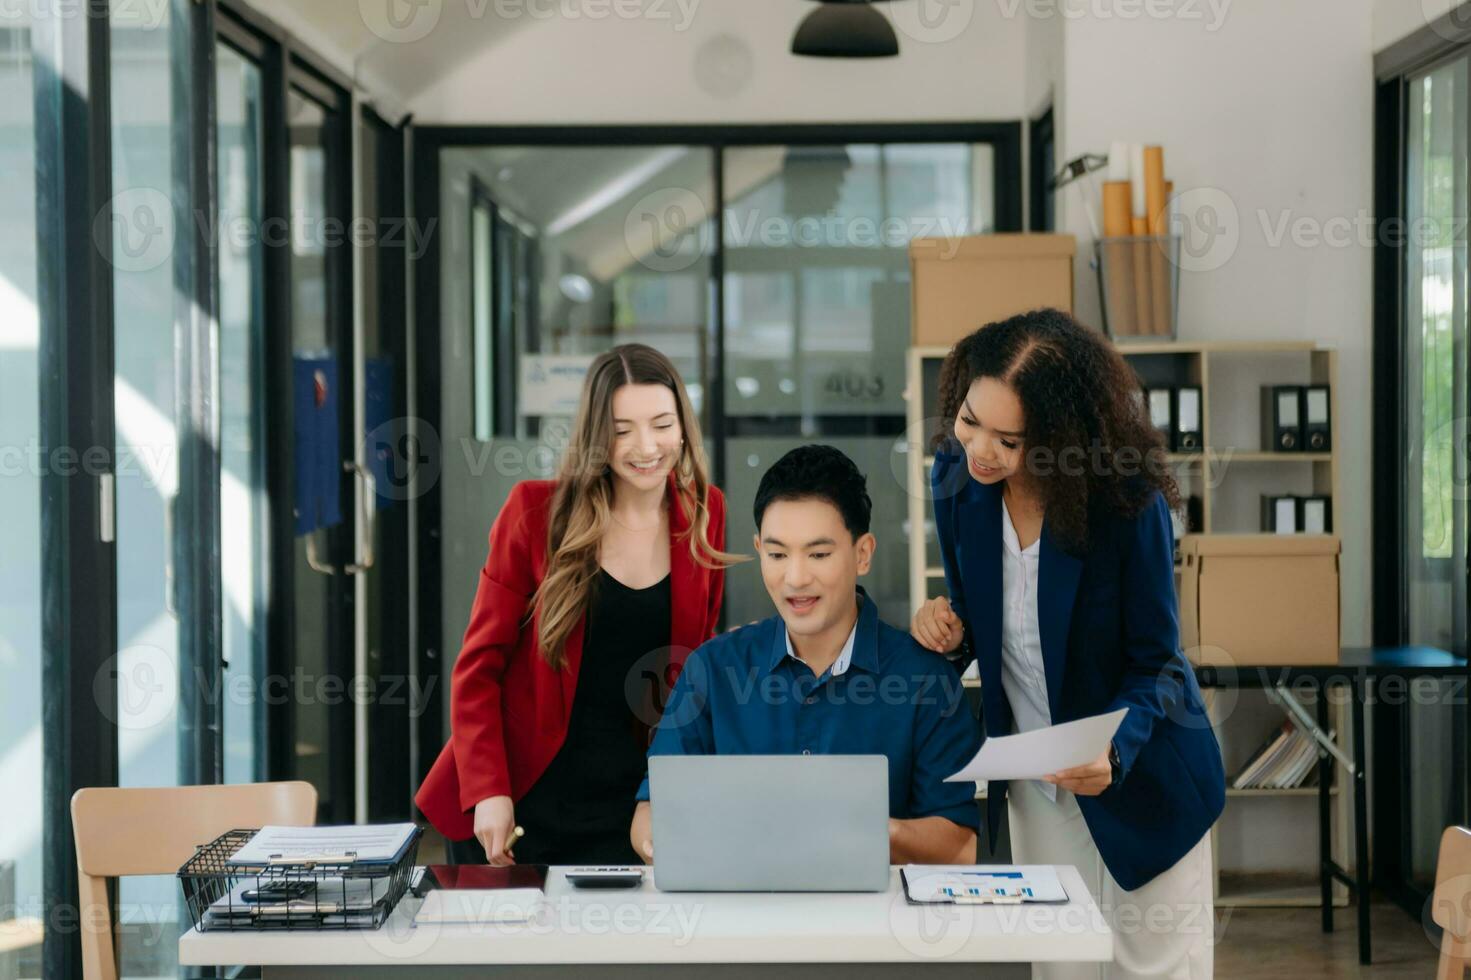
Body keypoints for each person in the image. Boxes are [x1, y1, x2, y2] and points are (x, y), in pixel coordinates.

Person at [911, 309, 1226, 979]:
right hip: (1038, 781)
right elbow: (976, 614)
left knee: (1153, 969)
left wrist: (1111, 747)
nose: (979, 451)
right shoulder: (957, 478)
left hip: (1143, 774)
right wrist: (942, 628)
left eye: (1009, 439)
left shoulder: (1124, 503)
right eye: (969, 421)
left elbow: (1157, 663)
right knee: (1060, 968)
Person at [415, 343, 740, 867]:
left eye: (661, 424)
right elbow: (478, 669)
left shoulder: (705, 512)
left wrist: (666, 789)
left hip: (632, 804)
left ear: (683, 426)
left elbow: (691, 674)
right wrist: (488, 790)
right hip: (520, 799)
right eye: (622, 429)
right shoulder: (534, 512)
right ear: (596, 435)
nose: (646, 446)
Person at [630, 444, 981, 864]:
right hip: (741, 920)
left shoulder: (925, 679)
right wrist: (662, 843)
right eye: (777, 554)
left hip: (876, 925)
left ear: (863, 553)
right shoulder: (713, 669)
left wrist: (870, 828)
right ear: (759, 549)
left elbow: (960, 846)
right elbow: (651, 813)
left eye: (818, 554)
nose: (795, 578)